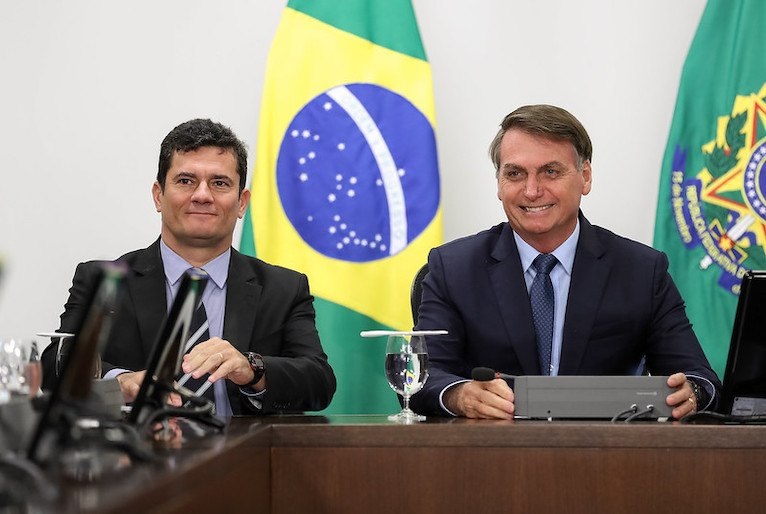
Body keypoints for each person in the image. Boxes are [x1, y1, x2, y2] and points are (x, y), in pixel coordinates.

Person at [410, 104, 720, 420]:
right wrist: (460, 395)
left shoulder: (641, 271)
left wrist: (692, 393)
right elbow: (420, 378)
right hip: (492, 446)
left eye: (551, 172)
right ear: (499, 183)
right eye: (515, 174)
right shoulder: (454, 268)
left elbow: (699, 377)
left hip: (604, 446)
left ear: (585, 177)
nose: (532, 191)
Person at [41, 118, 336, 415]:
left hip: (247, 444)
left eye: (219, 183)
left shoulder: (283, 288)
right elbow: (55, 367)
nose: (202, 195)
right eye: (185, 181)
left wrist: (252, 369)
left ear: (242, 202)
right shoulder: (104, 280)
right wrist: (122, 383)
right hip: (138, 443)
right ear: (158, 195)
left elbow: (318, 382)